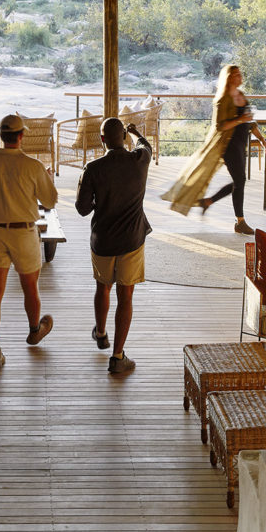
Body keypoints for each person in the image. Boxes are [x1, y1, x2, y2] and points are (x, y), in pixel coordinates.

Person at [0, 114, 58, 371]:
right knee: (31, 288)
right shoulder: (33, 166)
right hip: (24, 233)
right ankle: (34, 330)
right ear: (21, 136)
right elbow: (49, 201)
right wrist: (47, 178)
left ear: (2, 136)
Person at [74, 117, 151, 375]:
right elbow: (146, 145)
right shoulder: (140, 160)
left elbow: (82, 209)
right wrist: (136, 132)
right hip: (131, 240)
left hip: (103, 240)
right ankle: (118, 357)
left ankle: (101, 333)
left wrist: (101, 202)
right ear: (124, 139)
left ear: (102, 139)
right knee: (125, 295)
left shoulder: (93, 168)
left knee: (103, 286)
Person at [162, 63, 266, 236]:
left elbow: (249, 121)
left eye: (240, 73)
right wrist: (240, 120)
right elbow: (220, 126)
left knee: (239, 181)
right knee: (240, 181)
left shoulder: (241, 95)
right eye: (236, 74)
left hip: (241, 144)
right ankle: (239, 221)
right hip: (228, 146)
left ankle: (208, 202)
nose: (240, 77)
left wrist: (262, 139)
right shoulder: (222, 100)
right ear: (229, 78)